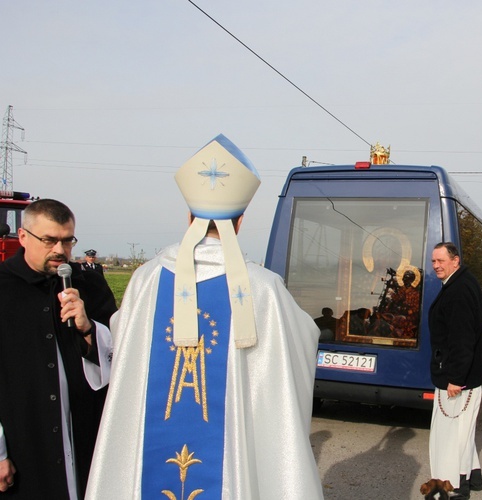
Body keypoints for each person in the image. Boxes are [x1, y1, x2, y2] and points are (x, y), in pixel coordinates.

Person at [85, 135, 324, 499]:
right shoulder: (263, 288)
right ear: (240, 222)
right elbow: (301, 343)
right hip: (231, 463)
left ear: (188, 217)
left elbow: (123, 339)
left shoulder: (146, 279)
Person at [0, 199, 116, 499]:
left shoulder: (88, 283)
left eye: (67, 241)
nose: (60, 251)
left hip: (84, 430)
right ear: (23, 237)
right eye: (49, 240)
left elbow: (119, 355)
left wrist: (87, 327)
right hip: (24, 436)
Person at [428, 242, 482, 499]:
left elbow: (462, 340)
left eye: (441, 261)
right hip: (463, 377)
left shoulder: (459, 290)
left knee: (450, 439)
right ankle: (473, 477)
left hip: (457, 380)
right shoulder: (461, 282)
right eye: (433, 261)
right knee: (463, 432)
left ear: (455, 261)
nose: (437, 265)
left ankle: (451, 490)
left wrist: (455, 379)